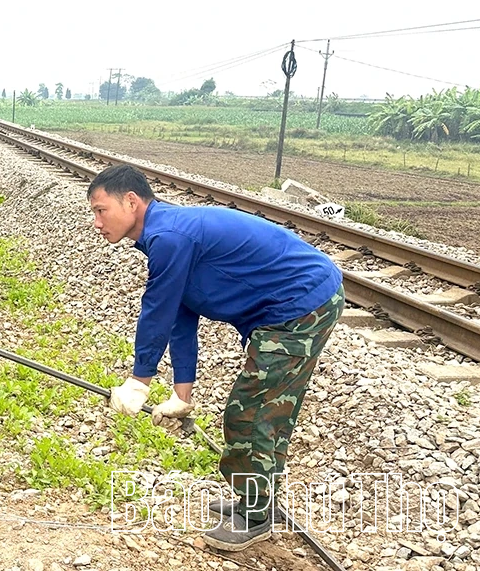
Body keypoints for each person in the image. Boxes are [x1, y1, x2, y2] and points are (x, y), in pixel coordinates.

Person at [93, 164, 345, 551]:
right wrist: (182, 395)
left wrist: (138, 381)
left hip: (300, 305)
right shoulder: (164, 235)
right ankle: (257, 500)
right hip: (299, 304)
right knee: (268, 410)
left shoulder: (169, 237)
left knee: (251, 412)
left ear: (131, 201)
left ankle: (255, 516)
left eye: (100, 209)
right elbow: (179, 317)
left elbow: (156, 310)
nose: (96, 222)